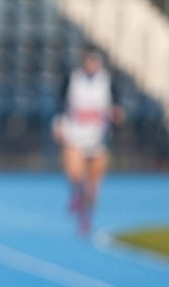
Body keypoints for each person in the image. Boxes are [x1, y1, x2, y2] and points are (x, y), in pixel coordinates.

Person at [52, 48, 124, 235]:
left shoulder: (108, 81)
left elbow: (117, 107)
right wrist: (59, 125)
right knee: (75, 174)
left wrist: (117, 115)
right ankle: (77, 194)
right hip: (75, 133)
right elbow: (60, 104)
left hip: (98, 137)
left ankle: (86, 218)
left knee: (93, 185)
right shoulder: (72, 79)